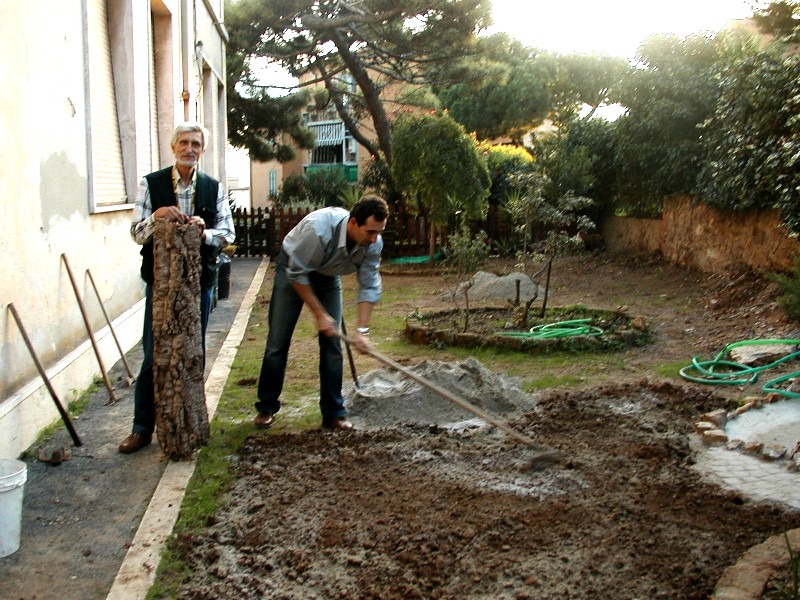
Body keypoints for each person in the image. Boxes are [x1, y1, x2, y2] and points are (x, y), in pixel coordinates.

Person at [118, 121, 235, 454]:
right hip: (161, 286)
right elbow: (136, 234)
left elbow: (228, 234)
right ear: (173, 147)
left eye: (196, 144)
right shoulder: (151, 184)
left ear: (202, 148)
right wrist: (156, 218)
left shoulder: (214, 188)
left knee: (193, 354)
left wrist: (204, 231)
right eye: (184, 143)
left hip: (201, 285)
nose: (190, 149)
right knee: (153, 356)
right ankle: (142, 428)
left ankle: (190, 425)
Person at [254, 195, 390, 431]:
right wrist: (319, 314)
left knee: (333, 344)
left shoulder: (373, 244)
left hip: (328, 274)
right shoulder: (317, 229)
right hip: (294, 268)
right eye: (370, 232)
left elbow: (369, 285)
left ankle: (333, 413)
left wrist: (361, 331)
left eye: (379, 232)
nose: (374, 238)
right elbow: (297, 274)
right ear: (353, 223)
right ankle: (266, 407)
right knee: (278, 341)